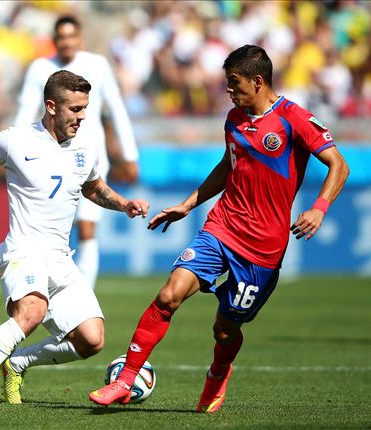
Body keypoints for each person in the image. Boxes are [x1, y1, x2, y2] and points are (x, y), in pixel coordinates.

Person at [89, 44, 349, 412]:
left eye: (234, 82)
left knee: (225, 329)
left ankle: (218, 373)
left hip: (262, 249)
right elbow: (227, 168)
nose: (228, 90)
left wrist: (319, 209)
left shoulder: (295, 119)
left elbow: (339, 165)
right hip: (222, 227)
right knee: (168, 295)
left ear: (258, 81)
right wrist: (188, 204)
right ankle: (125, 380)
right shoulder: (234, 119)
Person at [0, 70, 149, 409]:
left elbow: (93, 187)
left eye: (84, 108)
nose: (82, 116)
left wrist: (124, 204)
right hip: (24, 250)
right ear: (51, 106)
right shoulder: (14, 140)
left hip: (60, 257)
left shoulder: (85, 148)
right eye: (74, 109)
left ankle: (18, 363)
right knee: (32, 310)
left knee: (92, 340)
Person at [15, 15, 139, 290]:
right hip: (47, 158)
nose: (67, 42)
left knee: (86, 228)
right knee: (52, 227)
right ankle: (45, 288)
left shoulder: (96, 65)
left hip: (89, 157)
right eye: (62, 37)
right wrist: (16, 148)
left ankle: (83, 296)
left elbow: (116, 108)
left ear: (79, 39)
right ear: (55, 40)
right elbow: (25, 110)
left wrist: (130, 155)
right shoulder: (40, 68)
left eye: (72, 37)